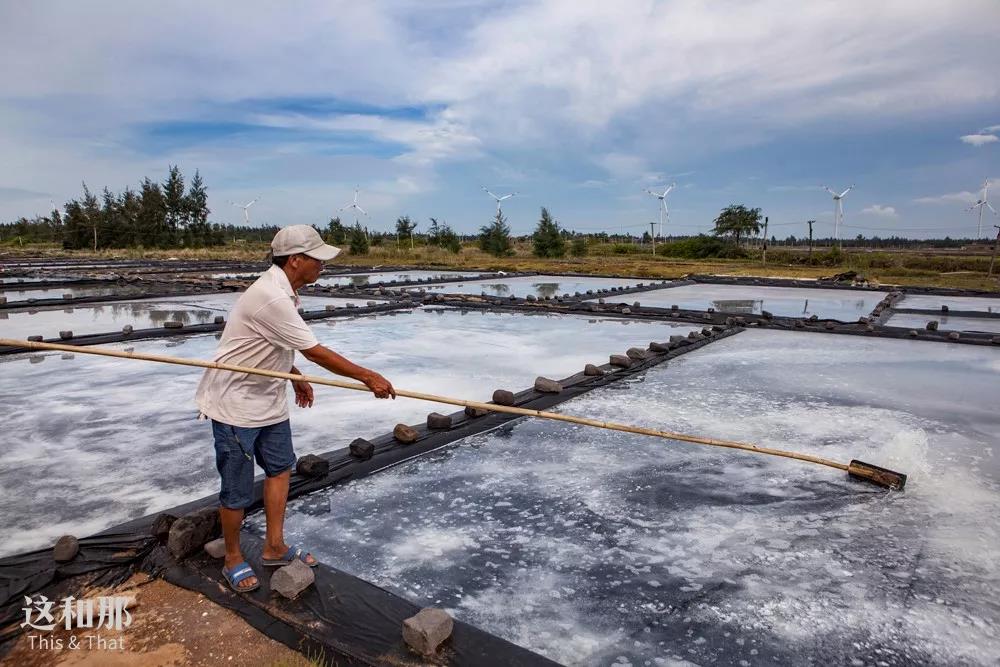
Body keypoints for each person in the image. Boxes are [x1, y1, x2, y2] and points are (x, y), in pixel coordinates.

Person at [195, 225, 395, 593]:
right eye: (316, 259)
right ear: (295, 260)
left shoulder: (285, 293)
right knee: (237, 488)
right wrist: (367, 377)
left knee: (280, 469)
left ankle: (274, 547)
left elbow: (268, 345)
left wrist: (293, 374)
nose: (322, 266)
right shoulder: (271, 296)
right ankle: (233, 557)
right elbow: (314, 349)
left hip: (268, 400)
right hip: (235, 405)